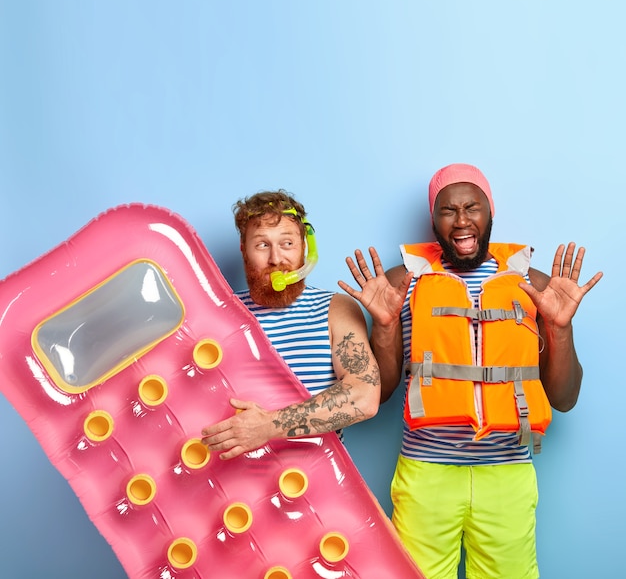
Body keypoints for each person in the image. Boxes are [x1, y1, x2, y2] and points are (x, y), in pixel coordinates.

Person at [339, 164, 603, 579]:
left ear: (489, 212)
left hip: (507, 473)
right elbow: (383, 392)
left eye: (472, 207)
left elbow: (565, 398)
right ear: (434, 219)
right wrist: (386, 328)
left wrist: (560, 327)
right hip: (427, 473)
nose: (462, 221)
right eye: (448, 210)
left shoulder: (532, 283)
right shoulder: (401, 283)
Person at [201, 189, 381, 460]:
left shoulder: (336, 308)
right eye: (262, 245)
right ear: (244, 250)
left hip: (321, 487)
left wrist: (268, 427)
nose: (276, 259)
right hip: (237, 492)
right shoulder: (217, 314)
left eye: (287, 244)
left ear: (305, 248)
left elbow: (364, 397)